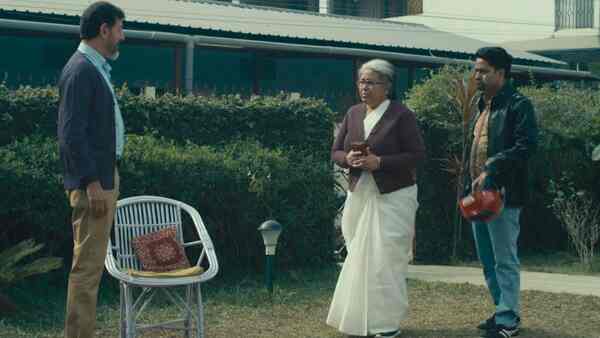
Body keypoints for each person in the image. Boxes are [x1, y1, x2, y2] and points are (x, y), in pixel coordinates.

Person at [326, 59, 425, 338]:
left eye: (371, 82)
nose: (364, 88)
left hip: (394, 195)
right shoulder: (353, 113)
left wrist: (380, 162)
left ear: (387, 86)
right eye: (361, 81)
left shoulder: (401, 115)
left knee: (385, 259)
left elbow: (417, 156)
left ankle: (386, 324)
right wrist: (349, 158)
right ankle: (360, 318)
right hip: (360, 193)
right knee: (358, 254)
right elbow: (335, 151)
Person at [57, 2, 126, 337]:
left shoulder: (92, 68)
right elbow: (71, 135)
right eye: (119, 29)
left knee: (91, 266)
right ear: (104, 30)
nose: (121, 37)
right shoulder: (82, 70)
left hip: (102, 178)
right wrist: (93, 183)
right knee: (87, 268)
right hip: (95, 183)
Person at [463, 47, 538, 338]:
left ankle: (509, 318)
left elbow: (526, 146)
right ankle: (501, 309)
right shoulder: (482, 104)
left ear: (501, 73)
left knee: (504, 259)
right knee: (487, 258)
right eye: (476, 70)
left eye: (483, 71)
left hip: (504, 194)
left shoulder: (519, 105)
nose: (477, 75)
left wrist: (492, 167)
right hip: (478, 194)